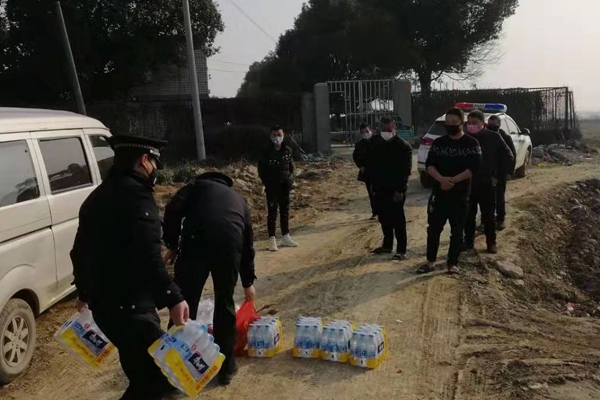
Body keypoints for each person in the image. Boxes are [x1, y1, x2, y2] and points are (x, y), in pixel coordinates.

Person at [70, 135, 189, 400]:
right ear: (144, 160)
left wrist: (84, 292)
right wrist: (173, 297)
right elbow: (149, 255)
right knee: (153, 380)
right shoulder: (137, 198)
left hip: (106, 309)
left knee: (142, 374)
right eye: (154, 163)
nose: (155, 170)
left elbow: (79, 252)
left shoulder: (95, 197)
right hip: (132, 309)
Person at [162, 172, 257, 386]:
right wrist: (248, 282)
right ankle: (227, 367)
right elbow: (247, 244)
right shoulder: (238, 200)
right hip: (229, 245)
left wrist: (172, 244)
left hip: (195, 242)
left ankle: (176, 366)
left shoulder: (195, 187)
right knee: (225, 302)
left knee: (184, 301)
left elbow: (172, 209)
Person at [417, 108, 482, 275]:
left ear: (461, 123)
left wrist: (453, 180)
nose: (449, 125)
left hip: (460, 195)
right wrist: (441, 180)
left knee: (457, 230)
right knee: (434, 229)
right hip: (439, 194)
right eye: (447, 122)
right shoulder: (439, 143)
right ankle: (430, 261)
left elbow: (473, 168)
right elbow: (430, 165)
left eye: (453, 123)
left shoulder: (471, 144)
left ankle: (452, 263)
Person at [464, 110, 514, 254]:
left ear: (482, 123)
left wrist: (498, 176)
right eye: (469, 123)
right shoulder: (465, 138)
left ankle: (491, 243)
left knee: (489, 216)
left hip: (487, 183)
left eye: (475, 123)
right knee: (468, 215)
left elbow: (508, 156)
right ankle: (468, 242)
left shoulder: (494, 137)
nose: (471, 126)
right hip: (468, 183)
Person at [366, 117, 413, 260]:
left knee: (398, 220)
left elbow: (406, 171)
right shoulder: (374, 143)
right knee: (383, 218)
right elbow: (369, 163)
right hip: (380, 187)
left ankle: (401, 250)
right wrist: (372, 185)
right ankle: (387, 245)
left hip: (396, 189)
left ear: (394, 128)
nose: (386, 131)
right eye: (384, 128)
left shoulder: (403, 146)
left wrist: (401, 190)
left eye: (389, 128)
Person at [258, 126, 299, 252]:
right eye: (274, 135)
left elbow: (292, 167)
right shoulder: (266, 151)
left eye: (279, 135)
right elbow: (261, 170)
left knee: (285, 210)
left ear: (283, 135)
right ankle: (272, 239)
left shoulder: (287, 150)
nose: (277, 138)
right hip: (272, 186)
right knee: (272, 212)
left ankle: (285, 236)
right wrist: (267, 183)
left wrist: (290, 180)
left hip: (285, 185)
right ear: (270, 136)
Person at [487, 115, 516, 231]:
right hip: (487, 173)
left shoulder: (505, 138)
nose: (491, 127)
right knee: (487, 198)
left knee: (499, 197)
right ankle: (487, 220)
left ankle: (500, 219)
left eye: (494, 125)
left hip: (500, 172)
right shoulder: (485, 137)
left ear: (499, 125)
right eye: (489, 124)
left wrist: (509, 172)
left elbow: (512, 155)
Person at [353, 123, 377, 220]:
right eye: (364, 132)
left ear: (371, 130)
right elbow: (355, 157)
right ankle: (375, 212)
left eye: (367, 131)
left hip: (379, 171)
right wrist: (360, 166)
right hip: (367, 172)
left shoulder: (378, 141)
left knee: (380, 192)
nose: (366, 134)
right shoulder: (359, 145)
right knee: (371, 193)